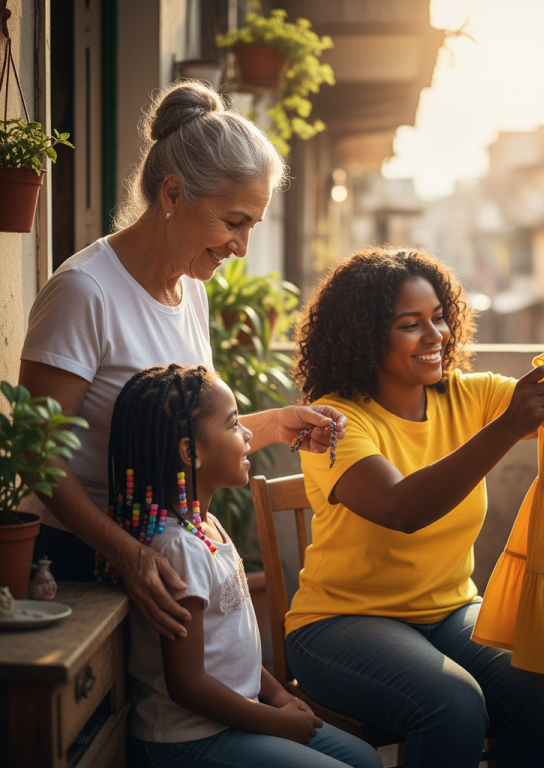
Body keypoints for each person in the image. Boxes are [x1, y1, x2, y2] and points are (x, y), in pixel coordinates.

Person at [286, 247, 544, 768]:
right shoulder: (332, 423)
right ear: (365, 335)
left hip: (450, 612)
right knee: (453, 704)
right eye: (411, 324)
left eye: (438, 318)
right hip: (340, 625)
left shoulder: (466, 395)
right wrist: (505, 428)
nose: (435, 335)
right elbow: (401, 508)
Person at [18, 80, 346, 642]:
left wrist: (276, 425)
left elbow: (179, 433)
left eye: (252, 226)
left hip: (160, 555)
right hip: (79, 564)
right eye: (233, 222)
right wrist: (126, 554)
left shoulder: (191, 287)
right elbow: (36, 456)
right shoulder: (84, 291)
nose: (241, 246)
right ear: (171, 195)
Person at [106, 364, 381, 768]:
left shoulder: (207, 526)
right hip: (188, 738)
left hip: (235, 718)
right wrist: (277, 722)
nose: (249, 434)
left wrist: (281, 696)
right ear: (190, 451)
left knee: (366, 759)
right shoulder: (178, 549)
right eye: (234, 424)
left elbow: (235, 652)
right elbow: (187, 686)